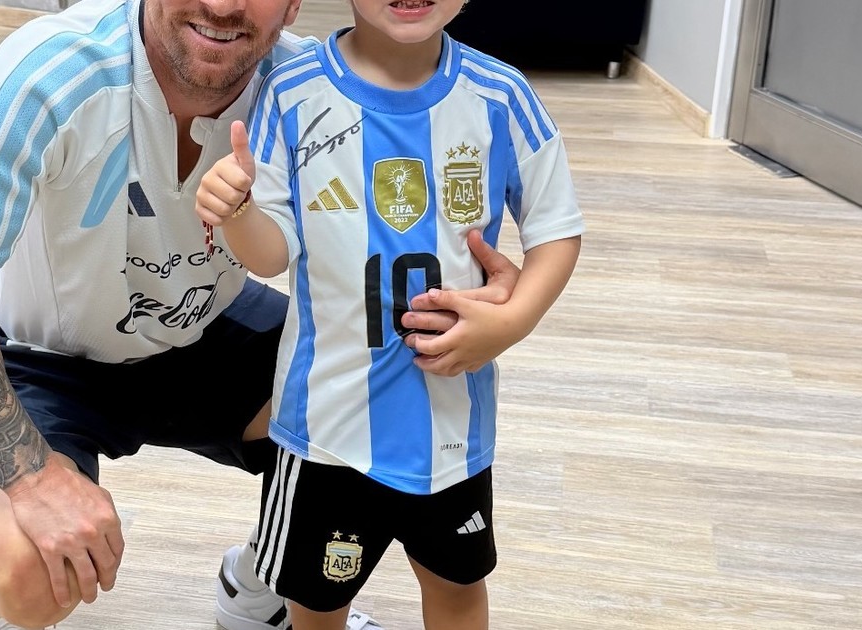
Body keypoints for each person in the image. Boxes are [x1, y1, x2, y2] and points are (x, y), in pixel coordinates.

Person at [0, 0, 522, 628]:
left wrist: (489, 295)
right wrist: (31, 480)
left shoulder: (309, 89)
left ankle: (262, 586)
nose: (222, 4)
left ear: (293, 5)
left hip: (205, 324)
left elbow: (405, 212)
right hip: (37, 359)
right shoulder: (49, 74)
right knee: (28, 574)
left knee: (377, 400)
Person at [194, 0, 585, 628]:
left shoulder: (501, 95)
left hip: (452, 426)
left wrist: (511, 323)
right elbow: (270, 255)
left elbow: (556, 229)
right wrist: (236, 211)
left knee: (458, 590)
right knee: (317, 604)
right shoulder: (293, 94)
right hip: (326, 429)